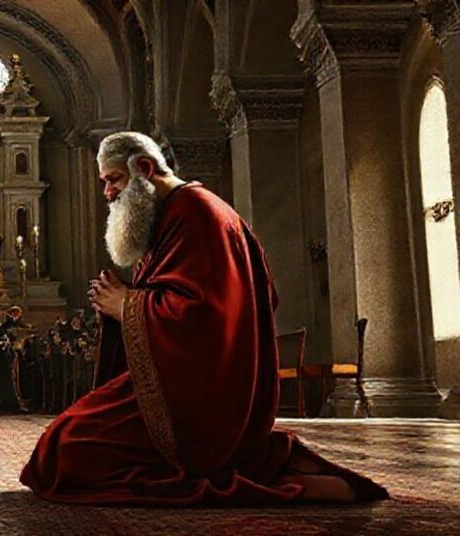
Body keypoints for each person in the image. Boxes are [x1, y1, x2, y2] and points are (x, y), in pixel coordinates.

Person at [20, 131, 387, 505]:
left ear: (144, 168)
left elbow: (208, 316)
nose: (107, 193)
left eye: (112, 180)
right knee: (62, 444)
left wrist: (126, 305)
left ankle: (290, 487)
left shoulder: (196, 211)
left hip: (202, 396)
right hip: (180, 380)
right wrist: (126, 304)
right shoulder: (173, 214)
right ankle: (273, 466)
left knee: (63, 453)